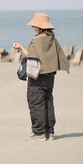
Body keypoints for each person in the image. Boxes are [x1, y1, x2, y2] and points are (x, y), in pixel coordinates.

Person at [13, 12, 69, 141]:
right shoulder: (52, 39)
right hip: (50, 76)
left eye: (34, 26)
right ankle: (50, 132)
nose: (33, 28)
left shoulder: (37, 40)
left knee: (36, 103)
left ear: (39, 27)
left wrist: (20, 47)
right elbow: (58, 57)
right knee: (48, 102)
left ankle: (39, 133)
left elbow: (31, 56)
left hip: (37, 76)